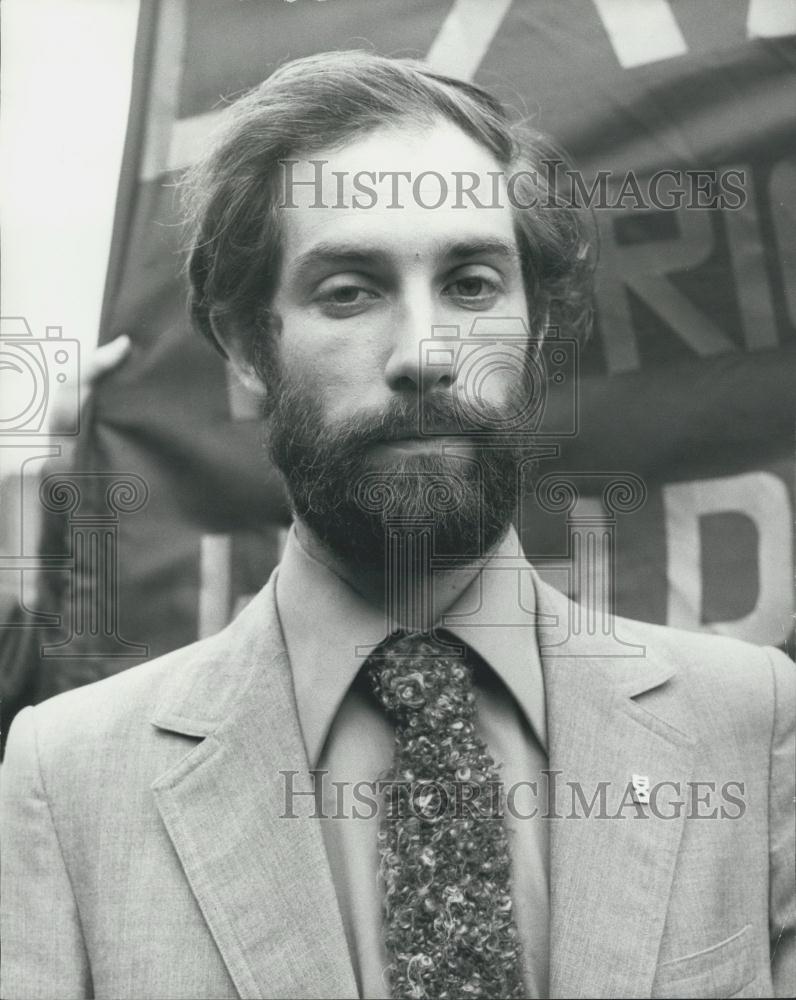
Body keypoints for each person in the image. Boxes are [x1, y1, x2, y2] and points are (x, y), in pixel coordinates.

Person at [1, 51, 793, 1000]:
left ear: (535, 331)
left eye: (471, 285)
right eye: (350, 291)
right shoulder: (70, 778)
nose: (427, 353)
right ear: (251, 347)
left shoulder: (753, 722)